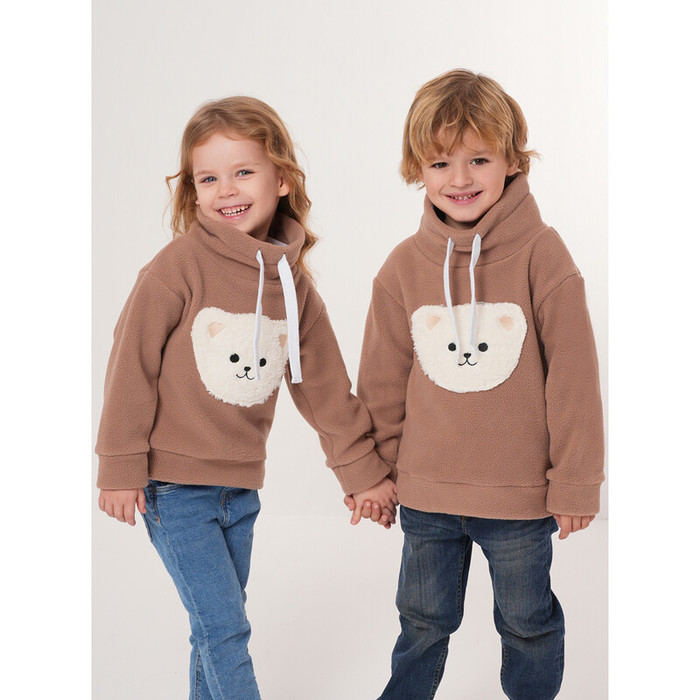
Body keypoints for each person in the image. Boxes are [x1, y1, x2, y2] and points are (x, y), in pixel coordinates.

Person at [96, 95, 397, 700]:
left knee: (211, 632)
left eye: (242, 171)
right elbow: (130, 367)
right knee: (226, 631)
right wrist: (119, 467)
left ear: (281, 178)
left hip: (240, 490)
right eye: (208, 178)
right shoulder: (176, 268)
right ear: (192, 191)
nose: (226, 190)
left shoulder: (292, 284)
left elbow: (323, 388)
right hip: (174, 488)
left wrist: (363, 474)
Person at [345, 69, 605, 699]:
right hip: (427, 494)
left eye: (478, 159)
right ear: (419, 169)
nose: (459, 178)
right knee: (421, 623)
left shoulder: (543, 256)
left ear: (512, 161)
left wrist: (575, 480)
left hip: (519, 498)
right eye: (440, 163)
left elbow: (574, 379)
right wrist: (371, 475)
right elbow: (381, 382)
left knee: (527, 624)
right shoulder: (402, 267)